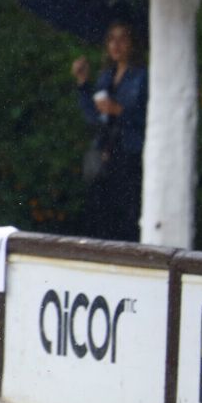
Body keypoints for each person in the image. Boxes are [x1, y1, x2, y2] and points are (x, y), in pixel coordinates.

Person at [71, 20, 147, 242]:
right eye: (112, 39)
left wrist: (119, 110)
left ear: (132, 43)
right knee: (101, 212)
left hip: (129, 151)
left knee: (126, 212)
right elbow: (94, 116)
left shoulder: (141, 76)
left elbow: (146, 116)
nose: (116, 45)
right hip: (106, 151)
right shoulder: (107, 75)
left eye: (123, 39)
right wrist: (83, 83)